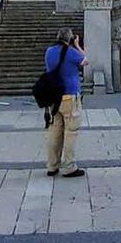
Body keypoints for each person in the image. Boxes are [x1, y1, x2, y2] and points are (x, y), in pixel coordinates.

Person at [44, 28, 87, 177]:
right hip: (69, 95)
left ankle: (52, 165)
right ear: (69, 38)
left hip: (53, 97)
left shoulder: (49, 51)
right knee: (71, 132)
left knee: (55, 131)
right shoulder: (71, 52)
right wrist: (77, 45)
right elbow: (86, 60)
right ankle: (69, 166)